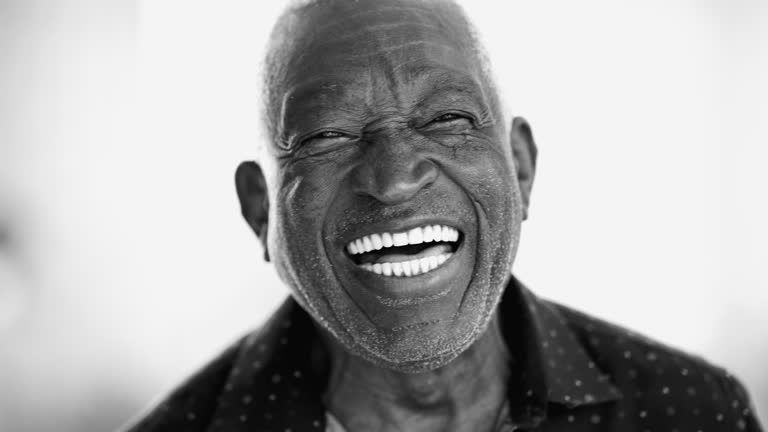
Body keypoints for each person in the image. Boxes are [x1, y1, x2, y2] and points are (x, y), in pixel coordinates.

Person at [124, 0, 763, 430]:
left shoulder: (695, 411)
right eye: (326, 138)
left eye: (447, 119)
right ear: (259, 210)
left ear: (520, 166)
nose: (397, 177)